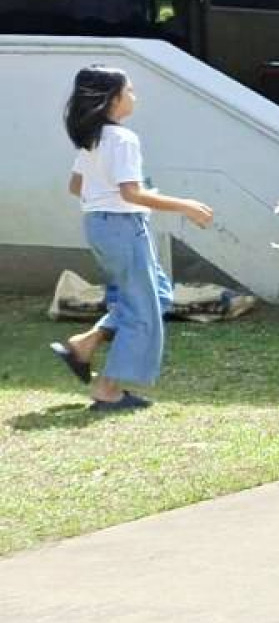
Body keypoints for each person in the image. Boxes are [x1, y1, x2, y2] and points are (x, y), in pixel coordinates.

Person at [52, 67, 213, 412]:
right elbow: (132, 192)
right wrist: (185, 206)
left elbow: (76, 187)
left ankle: (84, 344)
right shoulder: (123, 139)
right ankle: (108, 389)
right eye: (131, 90)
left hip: (102, 225)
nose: (135, 96)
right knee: (143, 309)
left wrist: (107, 198)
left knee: (156, 294)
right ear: (113, 98)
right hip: (124, 228)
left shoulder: (92, 137)